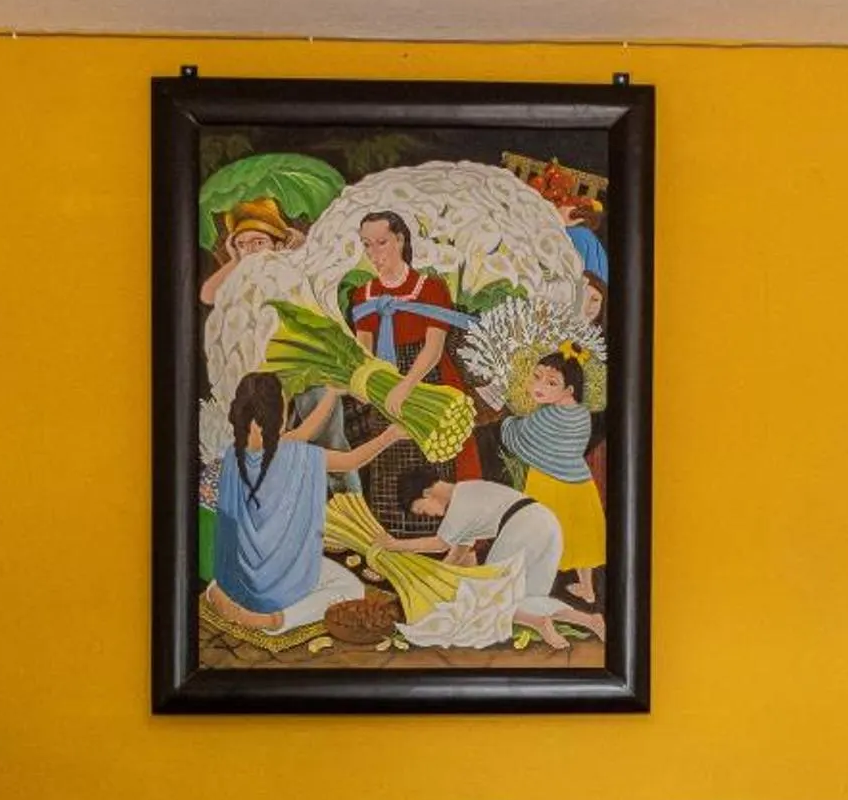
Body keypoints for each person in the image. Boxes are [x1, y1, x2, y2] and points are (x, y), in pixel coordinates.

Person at [206, 373, 404, 635]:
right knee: (350, 588)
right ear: (277, 418)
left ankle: (217, 591)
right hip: (278, 577)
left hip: (239, 572)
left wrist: (331, 394)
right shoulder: (294, 455)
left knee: (242, 570)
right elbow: (351, 461)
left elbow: (304, 432)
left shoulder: (235, 455)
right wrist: (390, 435)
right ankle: (273, 619)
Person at [387, 465, 605, 649]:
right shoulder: (470, 490)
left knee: (491, 597)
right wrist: (439, 577)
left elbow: (440, 544)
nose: (430, 516)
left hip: (522, 527)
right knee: (528, 598)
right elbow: (460, 548)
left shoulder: (459, 506)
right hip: (548, 524)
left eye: (422, 511)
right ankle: (590, 620)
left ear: (426, 493)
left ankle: (538, 622)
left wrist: (395, 545)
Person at [344, 213, 478, 475]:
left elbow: (434, 347)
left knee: (433, 466)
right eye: (367, 245)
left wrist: (405, 386)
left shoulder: (430, 288)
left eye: (381, 242)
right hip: (383, 386)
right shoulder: (363, 295)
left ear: (401, 240)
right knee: (389, 468)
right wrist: (359, 382)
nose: (373, 253)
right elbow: (363, 348)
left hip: (427, 381)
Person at [498, 348, 606, 603]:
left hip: (547, 483)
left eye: (550, 383)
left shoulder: (545, 415)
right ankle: (587, 589)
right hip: (578, 484)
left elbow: (517, 436)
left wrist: (507, 423)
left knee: (539, 532)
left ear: (569, 389)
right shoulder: (581, 414)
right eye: (536, 377)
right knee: (579, 537)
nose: (539, 386)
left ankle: (534, 587)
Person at [199, 199, 303, 305]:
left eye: (259, 243)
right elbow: (208, 297)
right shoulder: (242, 279)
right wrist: (235, 261)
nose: (249, 250)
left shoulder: (290, 275)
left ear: (278, 246)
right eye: (242, 245)